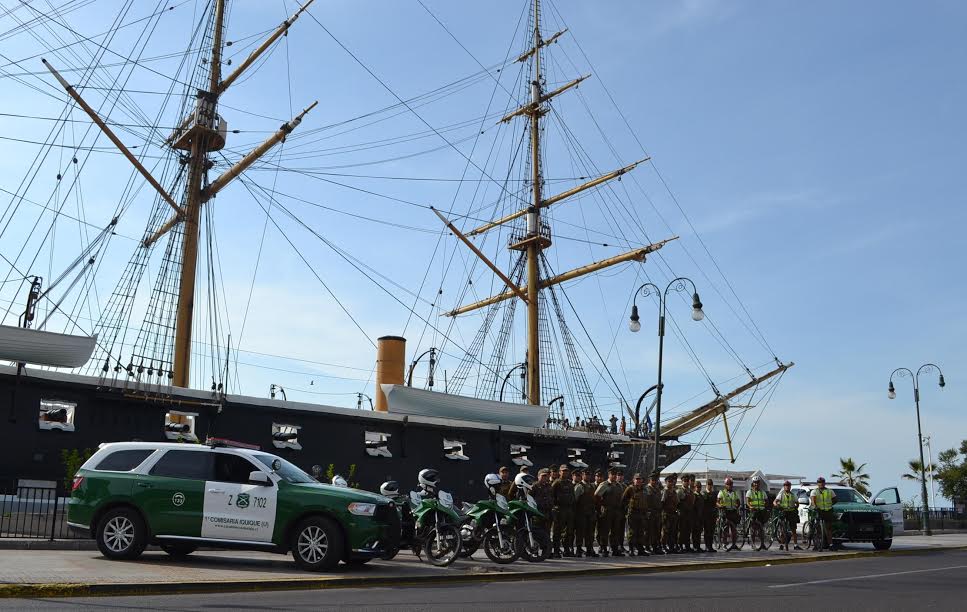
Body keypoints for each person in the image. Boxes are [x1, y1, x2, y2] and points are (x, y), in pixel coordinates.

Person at [551, 464, 576, 558]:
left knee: (569, 531)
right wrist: (554, 508)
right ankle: (556, 550)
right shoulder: (556, 483)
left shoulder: (570, 483)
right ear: (559, 472)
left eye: (566, 471)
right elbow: (551, 495)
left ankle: (566, 550)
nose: (565, 472)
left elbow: (573, 495)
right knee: (557, 531)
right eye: (563, 471)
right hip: (559, 509)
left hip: (569, 509)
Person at [622, 473, 650, 556]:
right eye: (636, 479)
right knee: (632, 532)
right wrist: (628, 509)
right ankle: (631, 549)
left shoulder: (644, 489)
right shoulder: (630, 489)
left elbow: (646, 501)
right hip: (633, 513)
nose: (638, 481)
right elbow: (623, 500)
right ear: (633, 480)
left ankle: (640, 549)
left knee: (641, 532)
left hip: (642, 514)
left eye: (639, 479)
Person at [573, 469, 598, 557]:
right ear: (582, 476)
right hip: (581, 513)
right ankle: (579, 549)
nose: (587, 476)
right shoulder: (579, 486)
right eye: (585, 475)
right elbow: (575, 500)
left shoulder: (592, 486)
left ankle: (589, 549)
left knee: (590, 532)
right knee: (580, 532)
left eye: (589, 475)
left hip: (590, 513)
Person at [810, 476, 837, 550]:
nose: (821, 484)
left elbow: (835, 499)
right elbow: (813, 500)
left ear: (824, 483)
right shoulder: (814, 491)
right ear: (817, 484)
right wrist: (815, 506)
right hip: (819, 510)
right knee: (818, 528)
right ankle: (816, 544)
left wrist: (830, 505)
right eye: (819, 482)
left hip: (828, 510)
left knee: (829, 529)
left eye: (822, 482)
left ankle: (831, 545)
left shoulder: (830, 491)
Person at [773, 480, 802, 551]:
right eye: (786, 485)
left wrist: (796, 507)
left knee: (793, 529)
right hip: (784, 512)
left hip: (791, 512)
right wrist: (776, 505)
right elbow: (775, 501)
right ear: (784, 487)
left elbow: (797, 503)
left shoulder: (793, 495)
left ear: (790, 487)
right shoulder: (781, 494)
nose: (787, 487)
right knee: (783, 529)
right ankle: (782, 545)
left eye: (788, 485)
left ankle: (795, 545)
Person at [717, 476, 740, 551]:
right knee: (725, 529)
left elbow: (738, 502)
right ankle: (724, 543)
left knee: (734, 530)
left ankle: (734, 544)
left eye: (731, 484)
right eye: (728, 484)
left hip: (733, 512)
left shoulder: (735, 493)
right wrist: (721, 505)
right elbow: (717, 502)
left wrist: (737, 505)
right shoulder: (722, 492)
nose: (729, 485)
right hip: (725, 512)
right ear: (725, 485)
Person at [746, 476, 769, 550]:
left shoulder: (763, 492)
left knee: (761, 529)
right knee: (753, 529)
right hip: (753, 511)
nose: (756, 484)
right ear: (753, 483)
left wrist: (765, 506)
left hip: (761, 511)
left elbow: (766, 501)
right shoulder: (750, 492)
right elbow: (748, 501)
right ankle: (753, 544)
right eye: (755, 483)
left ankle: (762, 544)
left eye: (758, 482)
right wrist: (750, 506)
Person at [660, 474, 680, 553]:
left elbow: (677, 503)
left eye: (672, 482)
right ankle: (663, 546)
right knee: (665, 531)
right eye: (669, 482)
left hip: (673, 514)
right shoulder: (665, 491)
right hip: (666, 514)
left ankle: (671, 546)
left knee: (672, 531)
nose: (671, 483)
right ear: (666, 482)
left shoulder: (674, 492)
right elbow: (662, 503)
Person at [645, 472, 663, 554]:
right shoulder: (646, 489)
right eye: (653, 480)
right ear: (650, 480)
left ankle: (655, 547)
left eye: (655, 480)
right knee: (649, 531)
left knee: (657, 531)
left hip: (657, 513)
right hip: (650, 512)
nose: (654, 481)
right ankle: (648, 546)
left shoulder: (657, 489)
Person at [678, 473, 696, 553]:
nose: (686, 482)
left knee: (688, 531)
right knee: (682, 531)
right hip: (682, 514)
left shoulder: (690, 491)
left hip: (689, 514)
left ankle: (687, 546)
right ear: (682, 482)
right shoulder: (680, 491)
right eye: (684, 481)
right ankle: (680, 546)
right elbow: (677, 503)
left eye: (687, 481)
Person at [702, 478, 717, 552]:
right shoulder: (704, 493)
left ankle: (710, 546)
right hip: (706, 515)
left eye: (711, 484)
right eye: (709, 484)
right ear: (706, 485)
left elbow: (716, 504)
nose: (710, 486)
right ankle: (707, 546)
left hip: (713, 515)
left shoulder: (714, 493)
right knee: (707, 531)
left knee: (712, 531)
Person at [690, 477, 704, 552]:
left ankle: (698, 546)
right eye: (697, 487)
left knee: (699, 533)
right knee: (695, 533)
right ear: (695, 487)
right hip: (695, 517)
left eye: (700, 487)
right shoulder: (694, 495)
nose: (699, 488)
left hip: (700, 517)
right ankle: (695, 546)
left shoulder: (701, 496)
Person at [615, 470, 628, 553]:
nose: (620, 477)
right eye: (618, 475)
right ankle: (615, 546)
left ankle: (621, 545)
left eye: (621, 475)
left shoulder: (625, 486)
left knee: (621, 529)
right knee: (615, 529)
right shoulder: (613, 485)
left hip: (622, 511)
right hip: (614, 510)